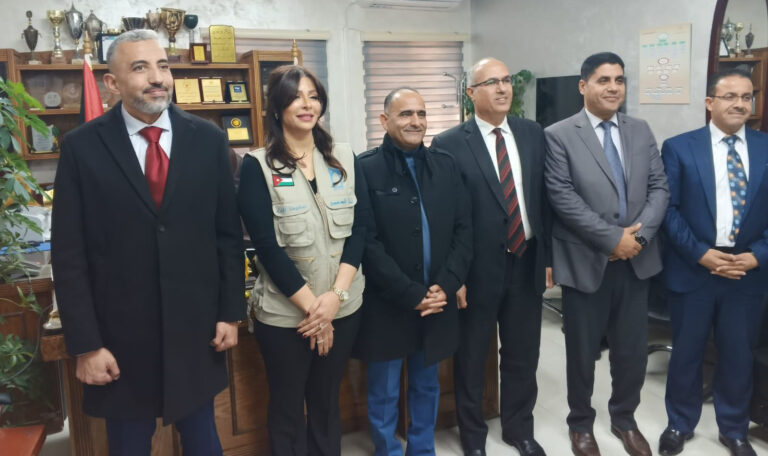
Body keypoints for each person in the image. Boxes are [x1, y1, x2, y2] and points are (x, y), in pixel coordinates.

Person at [51, 29, 244, 456]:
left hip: (196, 331)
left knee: (204, 441)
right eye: (140, 68)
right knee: (128, 446)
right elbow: (68, 254)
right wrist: (86, 344)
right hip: (119, 338)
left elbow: (227, 236)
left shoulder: (208, 139)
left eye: (163, 66)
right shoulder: (82, 147)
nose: (157, 78)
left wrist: (230, 313)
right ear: (112, 82)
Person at [237, 65, 368, 456]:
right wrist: (316, 310)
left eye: (313, 96)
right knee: (288, 407)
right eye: (295, 97)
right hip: (286, 316)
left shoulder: (344, 156)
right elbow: (266, 246)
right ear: (278, 108)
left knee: (327, 403)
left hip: (342, 307)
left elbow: (361, 230)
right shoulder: (257, 165)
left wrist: (335, 300)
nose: (306, 104)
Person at [543, 52, 669, 456]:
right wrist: (613, 239)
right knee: (582, 352)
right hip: (586, 261)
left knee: (631, 352)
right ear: (584, 86)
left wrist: (638, 239)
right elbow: (562, 197)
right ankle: (580, 423)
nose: (613, 87)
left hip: (636, 262)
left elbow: (659, 188)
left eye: (619, 80)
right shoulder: (559, 134)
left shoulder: (640, 130)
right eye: (603, 80)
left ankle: (624, 419)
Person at [431, 58, 553, 456]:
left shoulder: (532, 133)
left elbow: (543, 200)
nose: (502, 88)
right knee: (471, 358)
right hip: (476, 270)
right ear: (471, 93)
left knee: (523, 354)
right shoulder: (449, 143)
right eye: (491, 82)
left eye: (506, 81)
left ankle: (519, 429)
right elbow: (444, 216)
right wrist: (453, 277)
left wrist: (548, 258)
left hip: (526, 261)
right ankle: (473, 437)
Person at [354, 87, 473, 455]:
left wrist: (447, 284)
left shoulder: (445, 165)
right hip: (388, 301)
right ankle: (387, 449)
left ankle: (422, 448)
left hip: (437, 299)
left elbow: (464, 230)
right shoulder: (365, 167)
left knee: (427, 384)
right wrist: (410, 293)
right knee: (384, 389)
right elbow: (366, 242)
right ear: (384, 120)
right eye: (406, 114)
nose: (416, 121)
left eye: (421, 114)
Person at [658, 67, 768, 456]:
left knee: (738, 355)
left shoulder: (766, 147)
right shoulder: (679, 147)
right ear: (710, 103)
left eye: (746, 97)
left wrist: (757, 257)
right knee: (686, 353)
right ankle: (679, 423)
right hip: (694, 269)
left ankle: (734, 429)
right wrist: (701, 254)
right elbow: (668, 210)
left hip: (746, 274)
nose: (740, 104)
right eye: (730, 96)